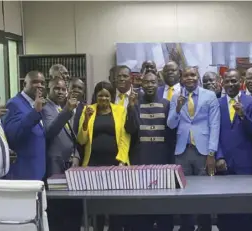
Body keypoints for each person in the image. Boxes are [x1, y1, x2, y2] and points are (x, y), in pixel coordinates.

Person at [167, 66, 220, 231]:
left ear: (197, 77)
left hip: (203, 152)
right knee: (183, 192)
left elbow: (214, 125)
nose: (189, 78)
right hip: (182, 151)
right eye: (186, 76)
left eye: (193, 75)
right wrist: (177, 108)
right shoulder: (176, 97)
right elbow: (171, 124)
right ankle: (187, 226)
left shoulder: (209, 96)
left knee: (204, 192)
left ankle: (205, 227)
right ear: (181, 79)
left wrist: (212, 153)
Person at [125, 72, 175, 231]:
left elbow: (171, 134)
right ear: (142, 84)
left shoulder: (166, 104)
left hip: (162, 161)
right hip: (140, 160)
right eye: (146, 82)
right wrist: (131, 109)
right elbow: (130, 130)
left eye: (153, 82)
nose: (149, 85)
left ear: (158, 83)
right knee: (142, 205)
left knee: (164, 205)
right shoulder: (135, 104)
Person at [77, 81, 130, 231]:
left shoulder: (120, 110)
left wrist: (122, 160)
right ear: (95, 96)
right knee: (97, 205)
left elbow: (125, 139)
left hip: (115, 163)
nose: (104, 99)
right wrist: (86, 121)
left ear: (111, 96)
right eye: (100, 95)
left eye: (107, 96)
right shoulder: (88, 110)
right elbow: (81, 140)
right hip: (93, 163)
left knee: (115, 203)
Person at [215, 69, 252, 231]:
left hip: (245, 163)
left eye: (234, 81)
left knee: (246, 207)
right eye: (228, 81)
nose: (231, 84)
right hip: (224, 162)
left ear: (241, 82)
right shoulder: (216, 103)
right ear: (222, 83)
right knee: (225, 208)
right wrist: (219, 156)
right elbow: (214, 133)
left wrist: (243, 115)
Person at [43, 77, 82, 231]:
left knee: (72, 211)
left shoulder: (62, 108)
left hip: (69, 165)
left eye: (63, 89)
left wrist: (76, 156)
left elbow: (73, 138)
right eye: (56, 89)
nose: (60, 92)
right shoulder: (46, 108)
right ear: (48, 90)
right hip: (55, 166)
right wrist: (67, 110)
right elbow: (50, 132)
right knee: (58, 213)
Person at [3, 71, 46, 180]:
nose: (40, 85)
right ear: (24, 84)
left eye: (42, 83)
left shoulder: (37, 104)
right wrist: (35, 112)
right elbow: (13, 136)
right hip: (23, 172)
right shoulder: (13, 104)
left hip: (37, 170)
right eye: (35, 82)